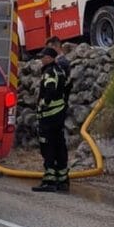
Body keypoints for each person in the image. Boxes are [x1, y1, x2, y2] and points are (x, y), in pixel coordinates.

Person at [32, 45, 70, 193]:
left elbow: (50, 90)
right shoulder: (60, 71)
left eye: (43, 57)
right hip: (59, 115)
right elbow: (66, 89)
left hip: (48, 117)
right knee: (60, 146)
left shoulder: (49, 72)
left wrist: (44, 103)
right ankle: (62, 180)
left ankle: (49, 180)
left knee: (47, 147)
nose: (41, 60)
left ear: (50, 58)